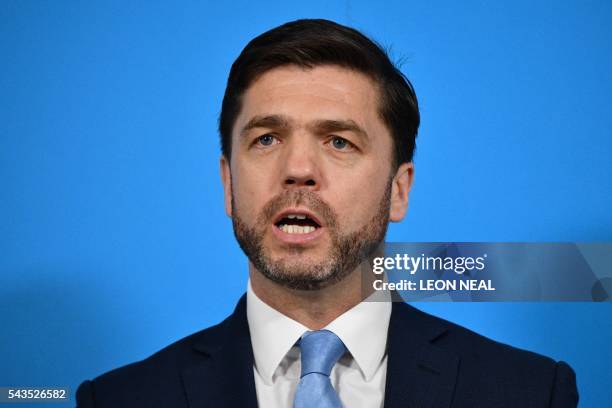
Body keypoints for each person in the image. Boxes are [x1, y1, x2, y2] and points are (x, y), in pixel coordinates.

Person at [76, 19, 578, 407]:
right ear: (228, 184)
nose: (297, 169)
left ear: (398, 190)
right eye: (267, 138)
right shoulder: (123, 398)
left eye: (339, 141)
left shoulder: (529, 391)